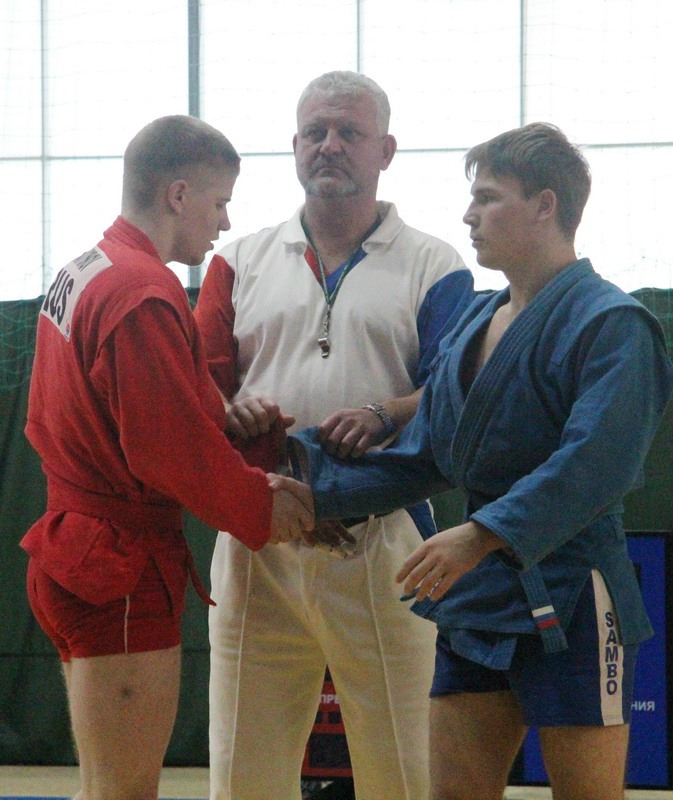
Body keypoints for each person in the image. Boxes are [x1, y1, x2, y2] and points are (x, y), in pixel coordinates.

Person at [285, 122, 673, 800]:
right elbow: (426, 453)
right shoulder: (475, 322)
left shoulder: (612, 323)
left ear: (546, 205)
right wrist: (302, 483)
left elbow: (595, 465)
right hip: (476, 591)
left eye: (488, 198)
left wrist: (483, 532)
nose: (469, 215)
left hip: (572, 586)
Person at [194, 71, 474, 800]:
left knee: (407, 771)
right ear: (293, 146)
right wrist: (230, 413)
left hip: (385, 539)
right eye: (315, 132)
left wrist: (384, 412)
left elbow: (454, 395)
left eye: (349, 132)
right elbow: (197, 385)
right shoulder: (237, 259)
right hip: (257, 535)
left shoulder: (436, 263)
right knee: (242, 774)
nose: (330, 146)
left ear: (385, 150)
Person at [21, 115, 314, 800]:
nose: (224, 221)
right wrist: (263, 507)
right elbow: (167, 451)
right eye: (219, 202)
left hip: (73, 551)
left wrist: (226, 419)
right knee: (124, 793)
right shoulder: (142, 291)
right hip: (117, 566)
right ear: (179, 195)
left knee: (103, 788)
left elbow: (114, 410)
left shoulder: (85, 270)